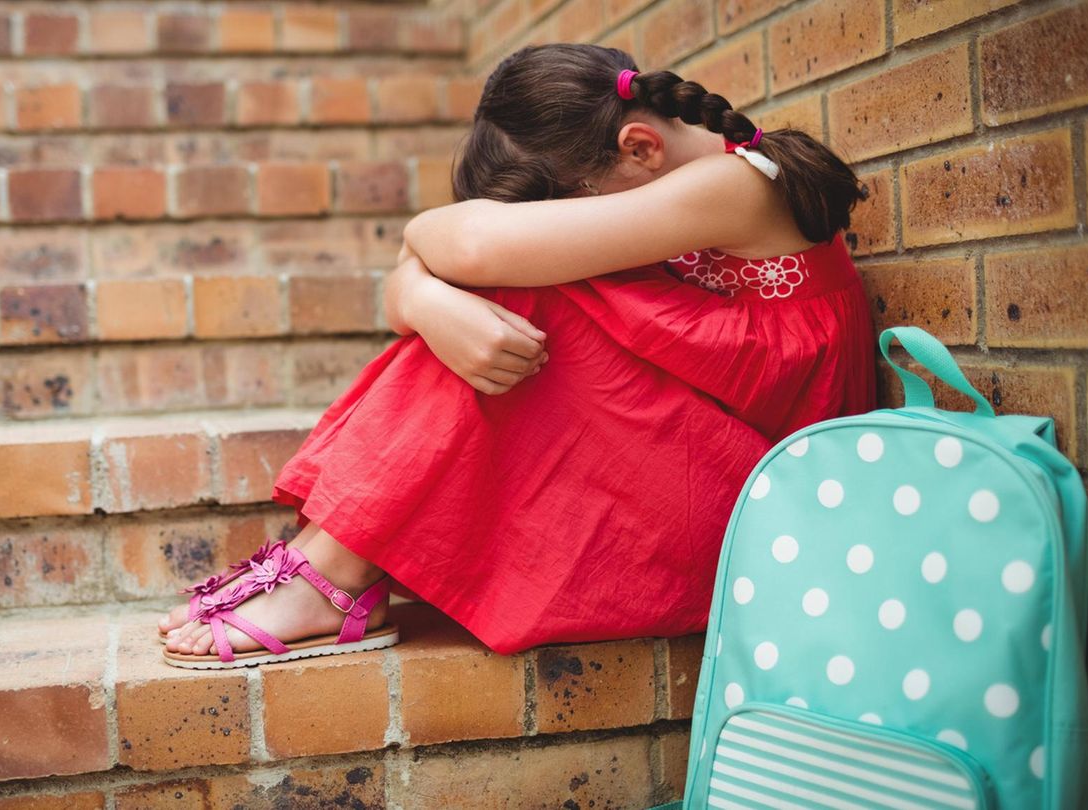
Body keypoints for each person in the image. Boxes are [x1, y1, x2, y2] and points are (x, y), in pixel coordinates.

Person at [158, 43, 877, 668]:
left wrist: (422, 263)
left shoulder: (737, 184)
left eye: (567, 206)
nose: (565, 223)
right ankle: (334, 560)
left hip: (771, 504)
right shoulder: (680, 178)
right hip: (704, 456)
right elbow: (446, 262)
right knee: (508, 291)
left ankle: (334, 572)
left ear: (639, 148)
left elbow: (469, 247)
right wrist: (424, 300)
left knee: (532, 293)